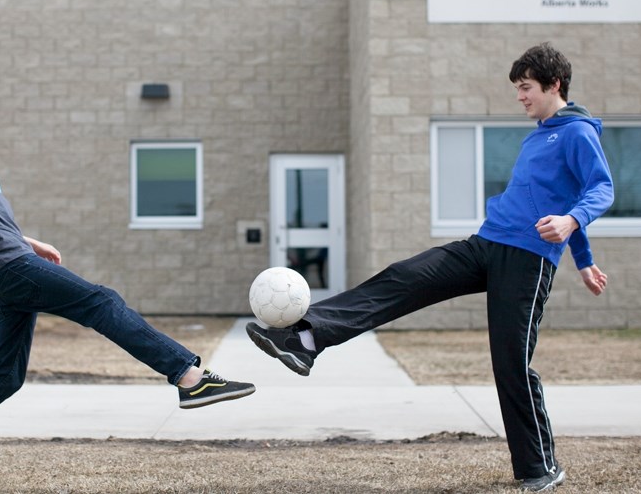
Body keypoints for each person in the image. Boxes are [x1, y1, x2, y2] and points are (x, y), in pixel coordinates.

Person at [246, 43, 613, 492]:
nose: (520, 96)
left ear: (555, 85)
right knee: (407, 275)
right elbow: (564, 197)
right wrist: (586, 259)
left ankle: (540, 467)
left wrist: (575, 230)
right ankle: (305, 338)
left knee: (510, 363)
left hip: (528, 259)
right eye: (518, 88)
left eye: (527, 88)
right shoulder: (539, 133)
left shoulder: (577, 132)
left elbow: (599, 188)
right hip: (486, 243)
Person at [0, 70, 255, 482]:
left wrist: (29, 240)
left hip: (7, 264)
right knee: (101, 301)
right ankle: (189, 377)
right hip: (9, 267)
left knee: (7, 376)